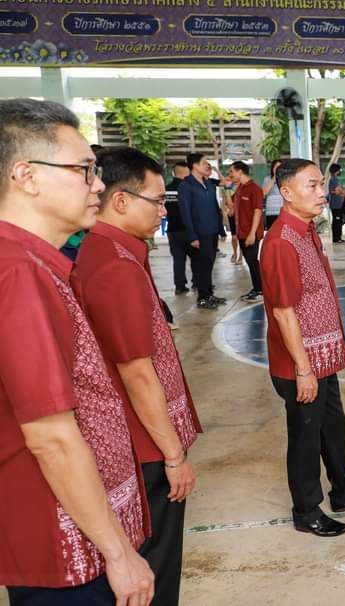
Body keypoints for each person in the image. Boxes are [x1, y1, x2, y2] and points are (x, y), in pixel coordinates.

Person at [0, 98, 154, 606]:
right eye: (84, 170)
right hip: (65, 546)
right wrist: (118, 553)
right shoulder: (18, 273)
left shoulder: (34, 263)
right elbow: (51, 437)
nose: (97, 186)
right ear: (26, 176)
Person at [72, 147, 202, 606]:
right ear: (122, 200)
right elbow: (137, 372)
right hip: (143, 445)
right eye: (157, 200)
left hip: (135, 438)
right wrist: (173, 455)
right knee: (157, 564)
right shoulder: (114, 265)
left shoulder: (110, 252)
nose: (163, 211)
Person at [259, 158, 345, 538]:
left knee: (332, 425)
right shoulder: (282, 242)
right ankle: (306, 510)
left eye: (322, 184)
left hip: (323, 357)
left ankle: (344, 491)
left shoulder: (306, 231)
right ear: (286, 193)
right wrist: (303, 370)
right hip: (301, 363)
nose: (322, 193)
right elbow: (283, 312)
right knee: (306, 437)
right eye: (312, 186)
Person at [179, 153, 226, 309]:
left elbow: (215, 207)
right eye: (205, 162)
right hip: (199, 233)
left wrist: (221, 230)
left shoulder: (209, 183)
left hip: (212, 230)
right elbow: (185, 212)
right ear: (194, 165)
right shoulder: (186, 185)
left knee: (210, 264)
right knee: (202, 265)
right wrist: (192, 235)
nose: (208, 165)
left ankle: (209, 294)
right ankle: (203, 298)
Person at [228, 161, 264, 301]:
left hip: (251, 233)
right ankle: (256, 288)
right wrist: (226, 188)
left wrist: (252, 234)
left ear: (240, 171)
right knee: (250, 262)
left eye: (232, 171)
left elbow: (258, 211)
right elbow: (231, 205)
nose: (230, 174)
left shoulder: (254, 189)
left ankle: (260, 291)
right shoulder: (240, 189)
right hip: (241, 232)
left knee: (253, 261)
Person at [165, 162, 196, 295]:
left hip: (172, 230)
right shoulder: (188, 188)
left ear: (174, 173)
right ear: (186, 173)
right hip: (188, 230)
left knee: (178, 259)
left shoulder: (166, 189)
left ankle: (180, 286)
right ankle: (197, 282)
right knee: (195, 258)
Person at [327, 163, 345, 244]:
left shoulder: (335, 179)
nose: (340, 171)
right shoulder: (333, 180)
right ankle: (336, 238)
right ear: (336, 170)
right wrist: (341, 191)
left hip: (338, 204)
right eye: (339, 170)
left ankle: (338, 237)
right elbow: (334, 191)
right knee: (337, 221)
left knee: (338, 221)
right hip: (336, 204)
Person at [262, 158, 284, 230]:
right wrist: (274, 178)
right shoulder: (267, 179)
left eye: (280, 167)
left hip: (283, 212)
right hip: (270, 212)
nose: (278, 169)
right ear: (272, 168)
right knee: (272, 232)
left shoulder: (286, 179)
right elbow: (264, 193)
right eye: (276, 167)